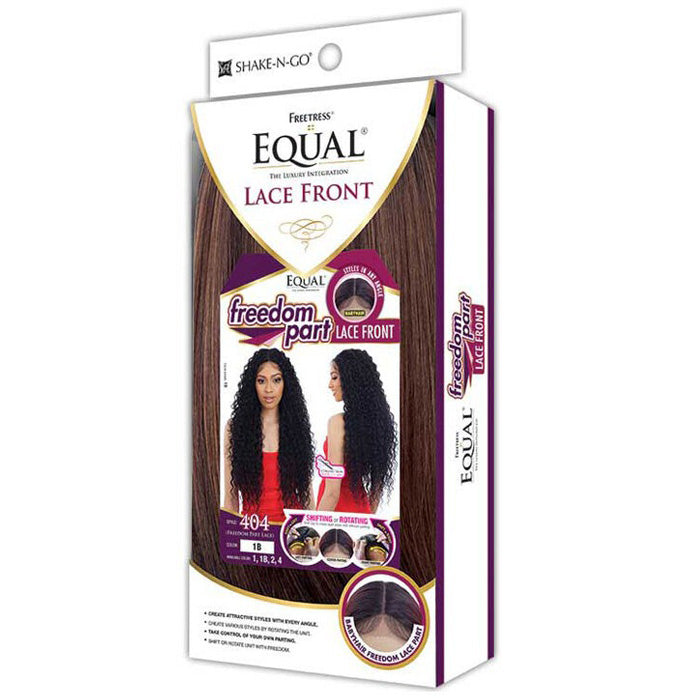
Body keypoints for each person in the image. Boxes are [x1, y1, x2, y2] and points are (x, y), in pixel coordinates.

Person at [224, 348, 314, 521]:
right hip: (253, 530)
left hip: (291, 532)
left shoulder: (296, 427)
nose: (269, 389)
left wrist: (314, 530)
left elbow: (307, 494)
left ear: (286, 383)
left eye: (276, 380)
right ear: (253, 384)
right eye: (261, 381)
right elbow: (231, 497)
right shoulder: (235, 428)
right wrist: (229, 531)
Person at [316, 349, 397, 513]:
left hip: (335, 514)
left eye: (334, 377)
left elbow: (332, 493)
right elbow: (376, 489)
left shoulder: (338, 423)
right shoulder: (375, 425)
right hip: (362, 511)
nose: (330, 385)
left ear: (350, 378)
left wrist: (315, 524)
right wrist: (366, 520)